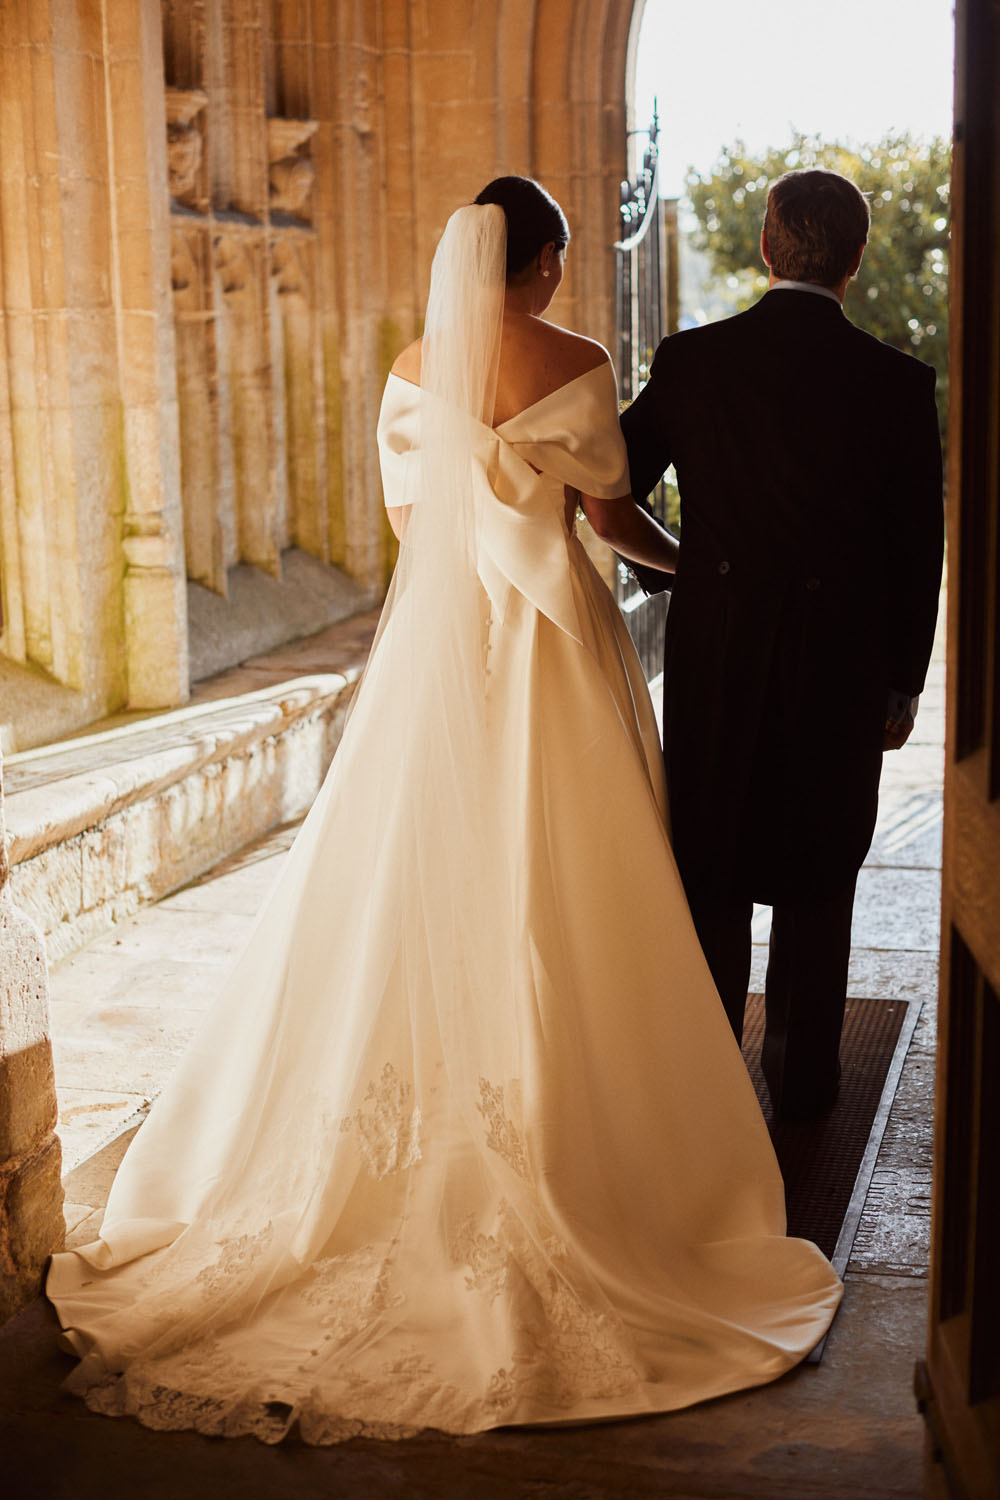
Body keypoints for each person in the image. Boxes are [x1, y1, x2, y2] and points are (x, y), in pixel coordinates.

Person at [46, 177, 841, 1445]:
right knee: (567, 876)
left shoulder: (415, 365)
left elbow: (417, 523)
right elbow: (607, 513)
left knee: (410, 873)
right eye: (561, 258)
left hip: (448, 641)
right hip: (546, 650)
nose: (564, 280)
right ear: (530, 263)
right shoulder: (575, 359)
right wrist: (694, 568)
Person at [621, 168, 944, 1123]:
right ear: (855, 259)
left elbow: (613, 486)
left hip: (719, 656)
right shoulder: (897, 384)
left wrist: (682, 570)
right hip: (841, 670)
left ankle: (706, 1091)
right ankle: (804, 1091)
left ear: (767, 248)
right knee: (817, 878)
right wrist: (902, 681)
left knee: (713, 869)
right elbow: (917, 549)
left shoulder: (692, 362)